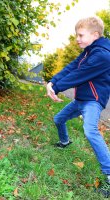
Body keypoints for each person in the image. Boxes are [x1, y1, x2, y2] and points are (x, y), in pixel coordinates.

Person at [46, 16, 110, 197]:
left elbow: (81, 74)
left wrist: (57, 88)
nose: (77, 39)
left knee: (90, 131)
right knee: (58, 119)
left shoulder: (103, 55)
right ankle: (65, 142)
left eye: (81, 35)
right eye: (77, 35)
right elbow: (72, 66)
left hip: (93, 101)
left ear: (95, 34)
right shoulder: (88, 51)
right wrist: (53, 81)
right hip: (80, 100)